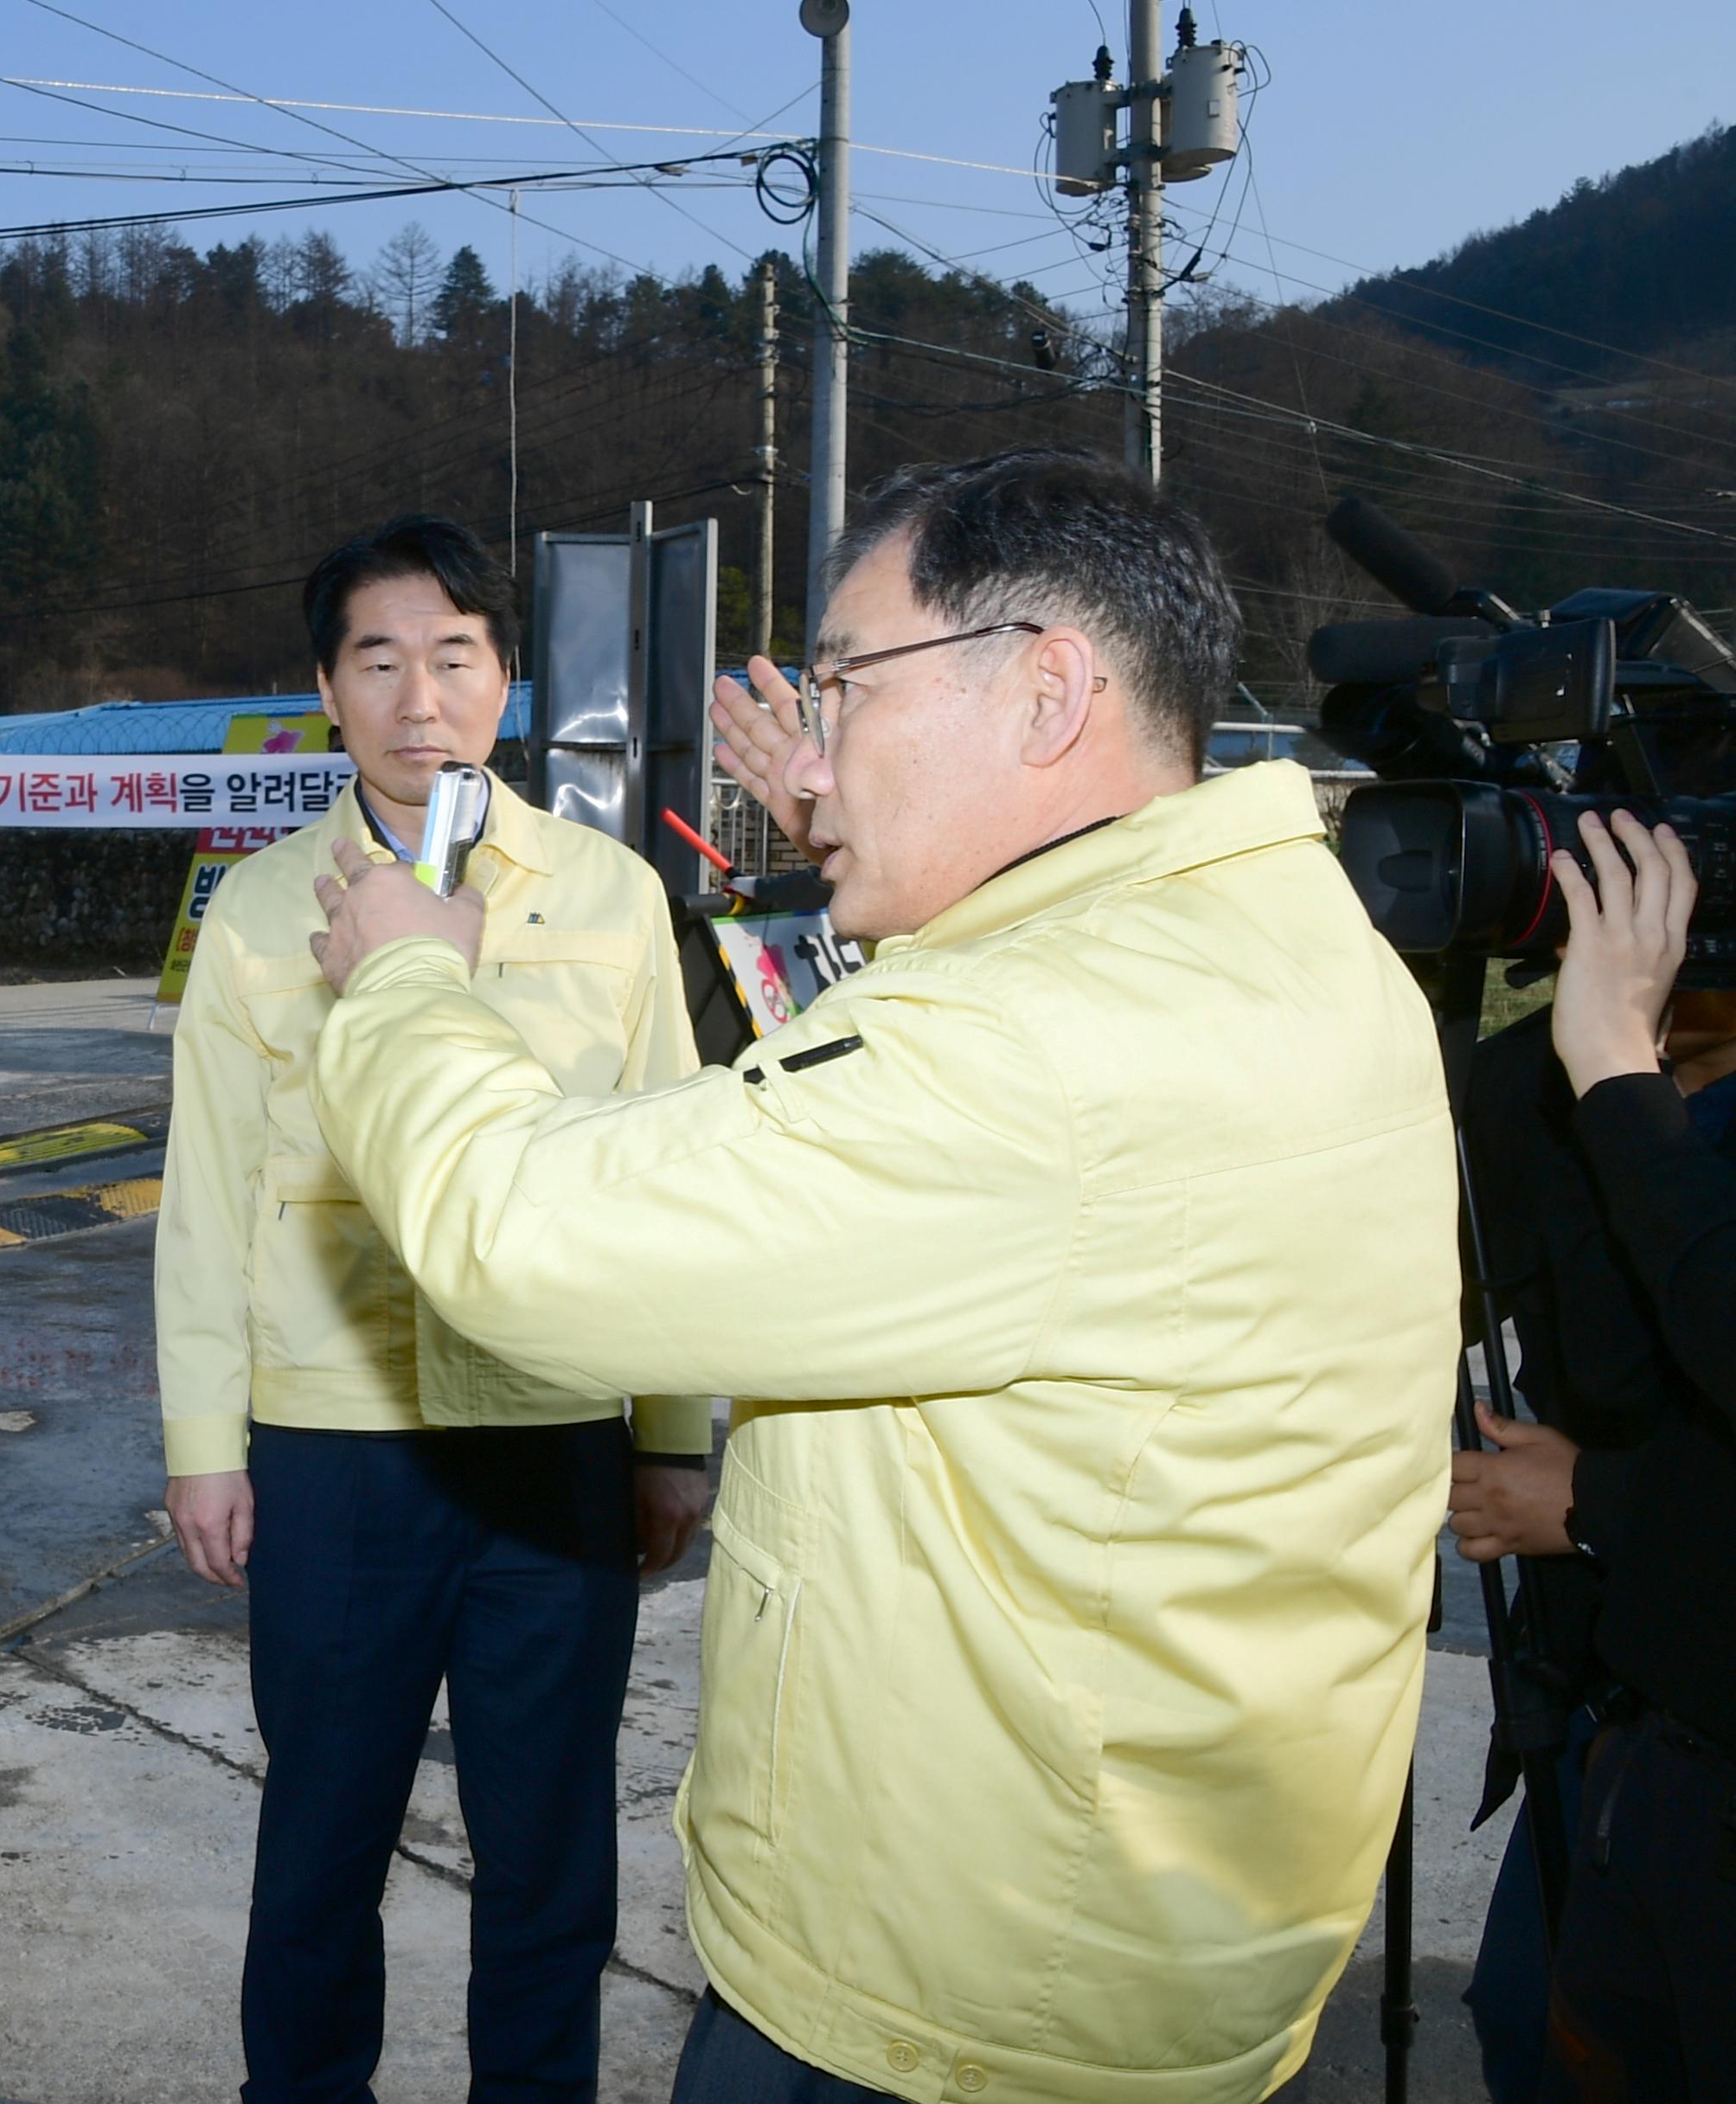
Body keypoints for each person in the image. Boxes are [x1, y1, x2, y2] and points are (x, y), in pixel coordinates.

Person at [302, 449, 1458, 2104]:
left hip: (951, 1997)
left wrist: (411, 985)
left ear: (1046, 688)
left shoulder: (1033, 1049)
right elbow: (983, 1164)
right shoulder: (1282, 940)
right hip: (1146, 1921)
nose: (813, 740)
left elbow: (518, 1231)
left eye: (844, 682)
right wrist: (863, 853)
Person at [155, 513, 709, 2103]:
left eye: (453, 657)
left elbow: (657, 1166)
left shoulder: (606, 895)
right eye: (377, 660)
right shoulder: (262, 909)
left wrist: (669, 1436)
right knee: (319, 1848)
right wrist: (206, 1440)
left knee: (549, 1858)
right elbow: (205, 1196)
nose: (418, 699)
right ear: (324, 689)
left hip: (551, 1445)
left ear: (508, 681)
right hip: (335, 1454)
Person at [1447, 807, 1736, 2101]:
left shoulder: (1616, 1087)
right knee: (1529, 2029)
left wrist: (1606, 1501)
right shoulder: (1552, 1088)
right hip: (1629, 1716)